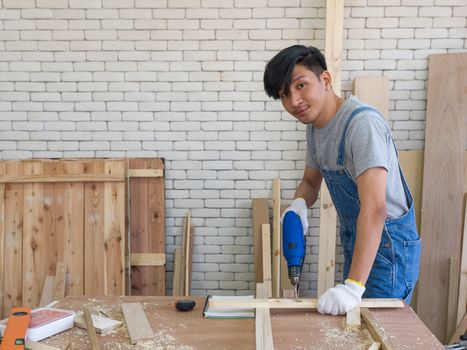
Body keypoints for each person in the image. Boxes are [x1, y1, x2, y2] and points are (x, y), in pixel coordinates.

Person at [263, 45, 421, 316]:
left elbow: (375, 209)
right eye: (284, 94)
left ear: (325, 80)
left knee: (380, 334)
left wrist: (353, 285)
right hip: (361, 240)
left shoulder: (361, 125)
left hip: (388, 248)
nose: (294, 101)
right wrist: (298, 205)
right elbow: (311, 182)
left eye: (301, 85)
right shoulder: (315, 128)